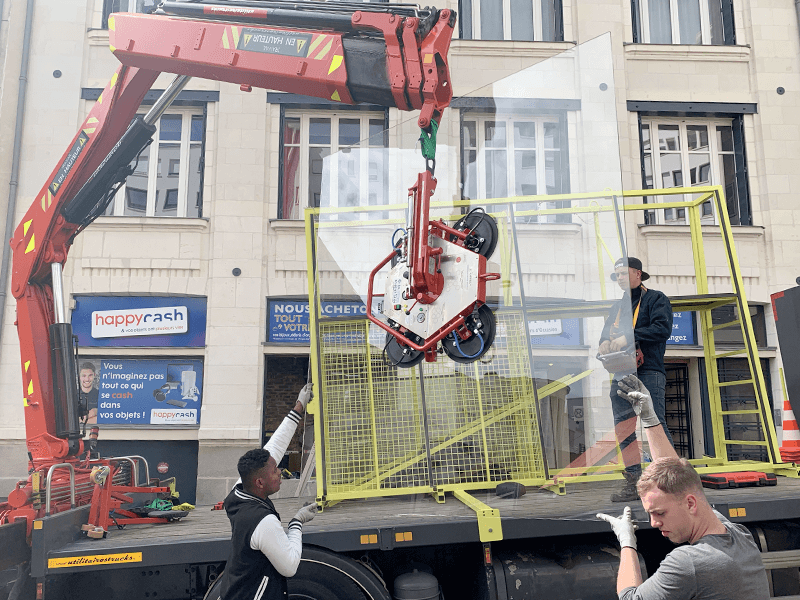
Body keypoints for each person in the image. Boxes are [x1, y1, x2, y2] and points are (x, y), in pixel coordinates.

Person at [597, 375, 769, 600]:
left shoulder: (689, 562)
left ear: (690, 503)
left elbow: (630, 598)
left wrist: (627, 543)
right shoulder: (739, 536)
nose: (653, 523)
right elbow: (677, 477)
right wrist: (649, 419)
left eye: (659, 513)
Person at [215, 383, 317, 600]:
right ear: (260, 482)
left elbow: (275, 448)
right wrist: (297, 523)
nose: (280, 471)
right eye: (275, 470)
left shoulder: (238, 493)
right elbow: (289, 566)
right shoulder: (263, 521)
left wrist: (298, 407)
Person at [599, 256, 674, 501]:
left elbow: (662, 329)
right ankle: (634, 484)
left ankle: (670, 483)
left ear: (638, 274)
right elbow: (605, 332)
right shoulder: (617, 307)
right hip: (622, 370)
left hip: (648, 370)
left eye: (623, 273)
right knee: (624, 430)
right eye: (616, 275)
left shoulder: (656, 298)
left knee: (656, 424)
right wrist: (604, 344)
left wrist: (629, 336)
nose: (619, 278)